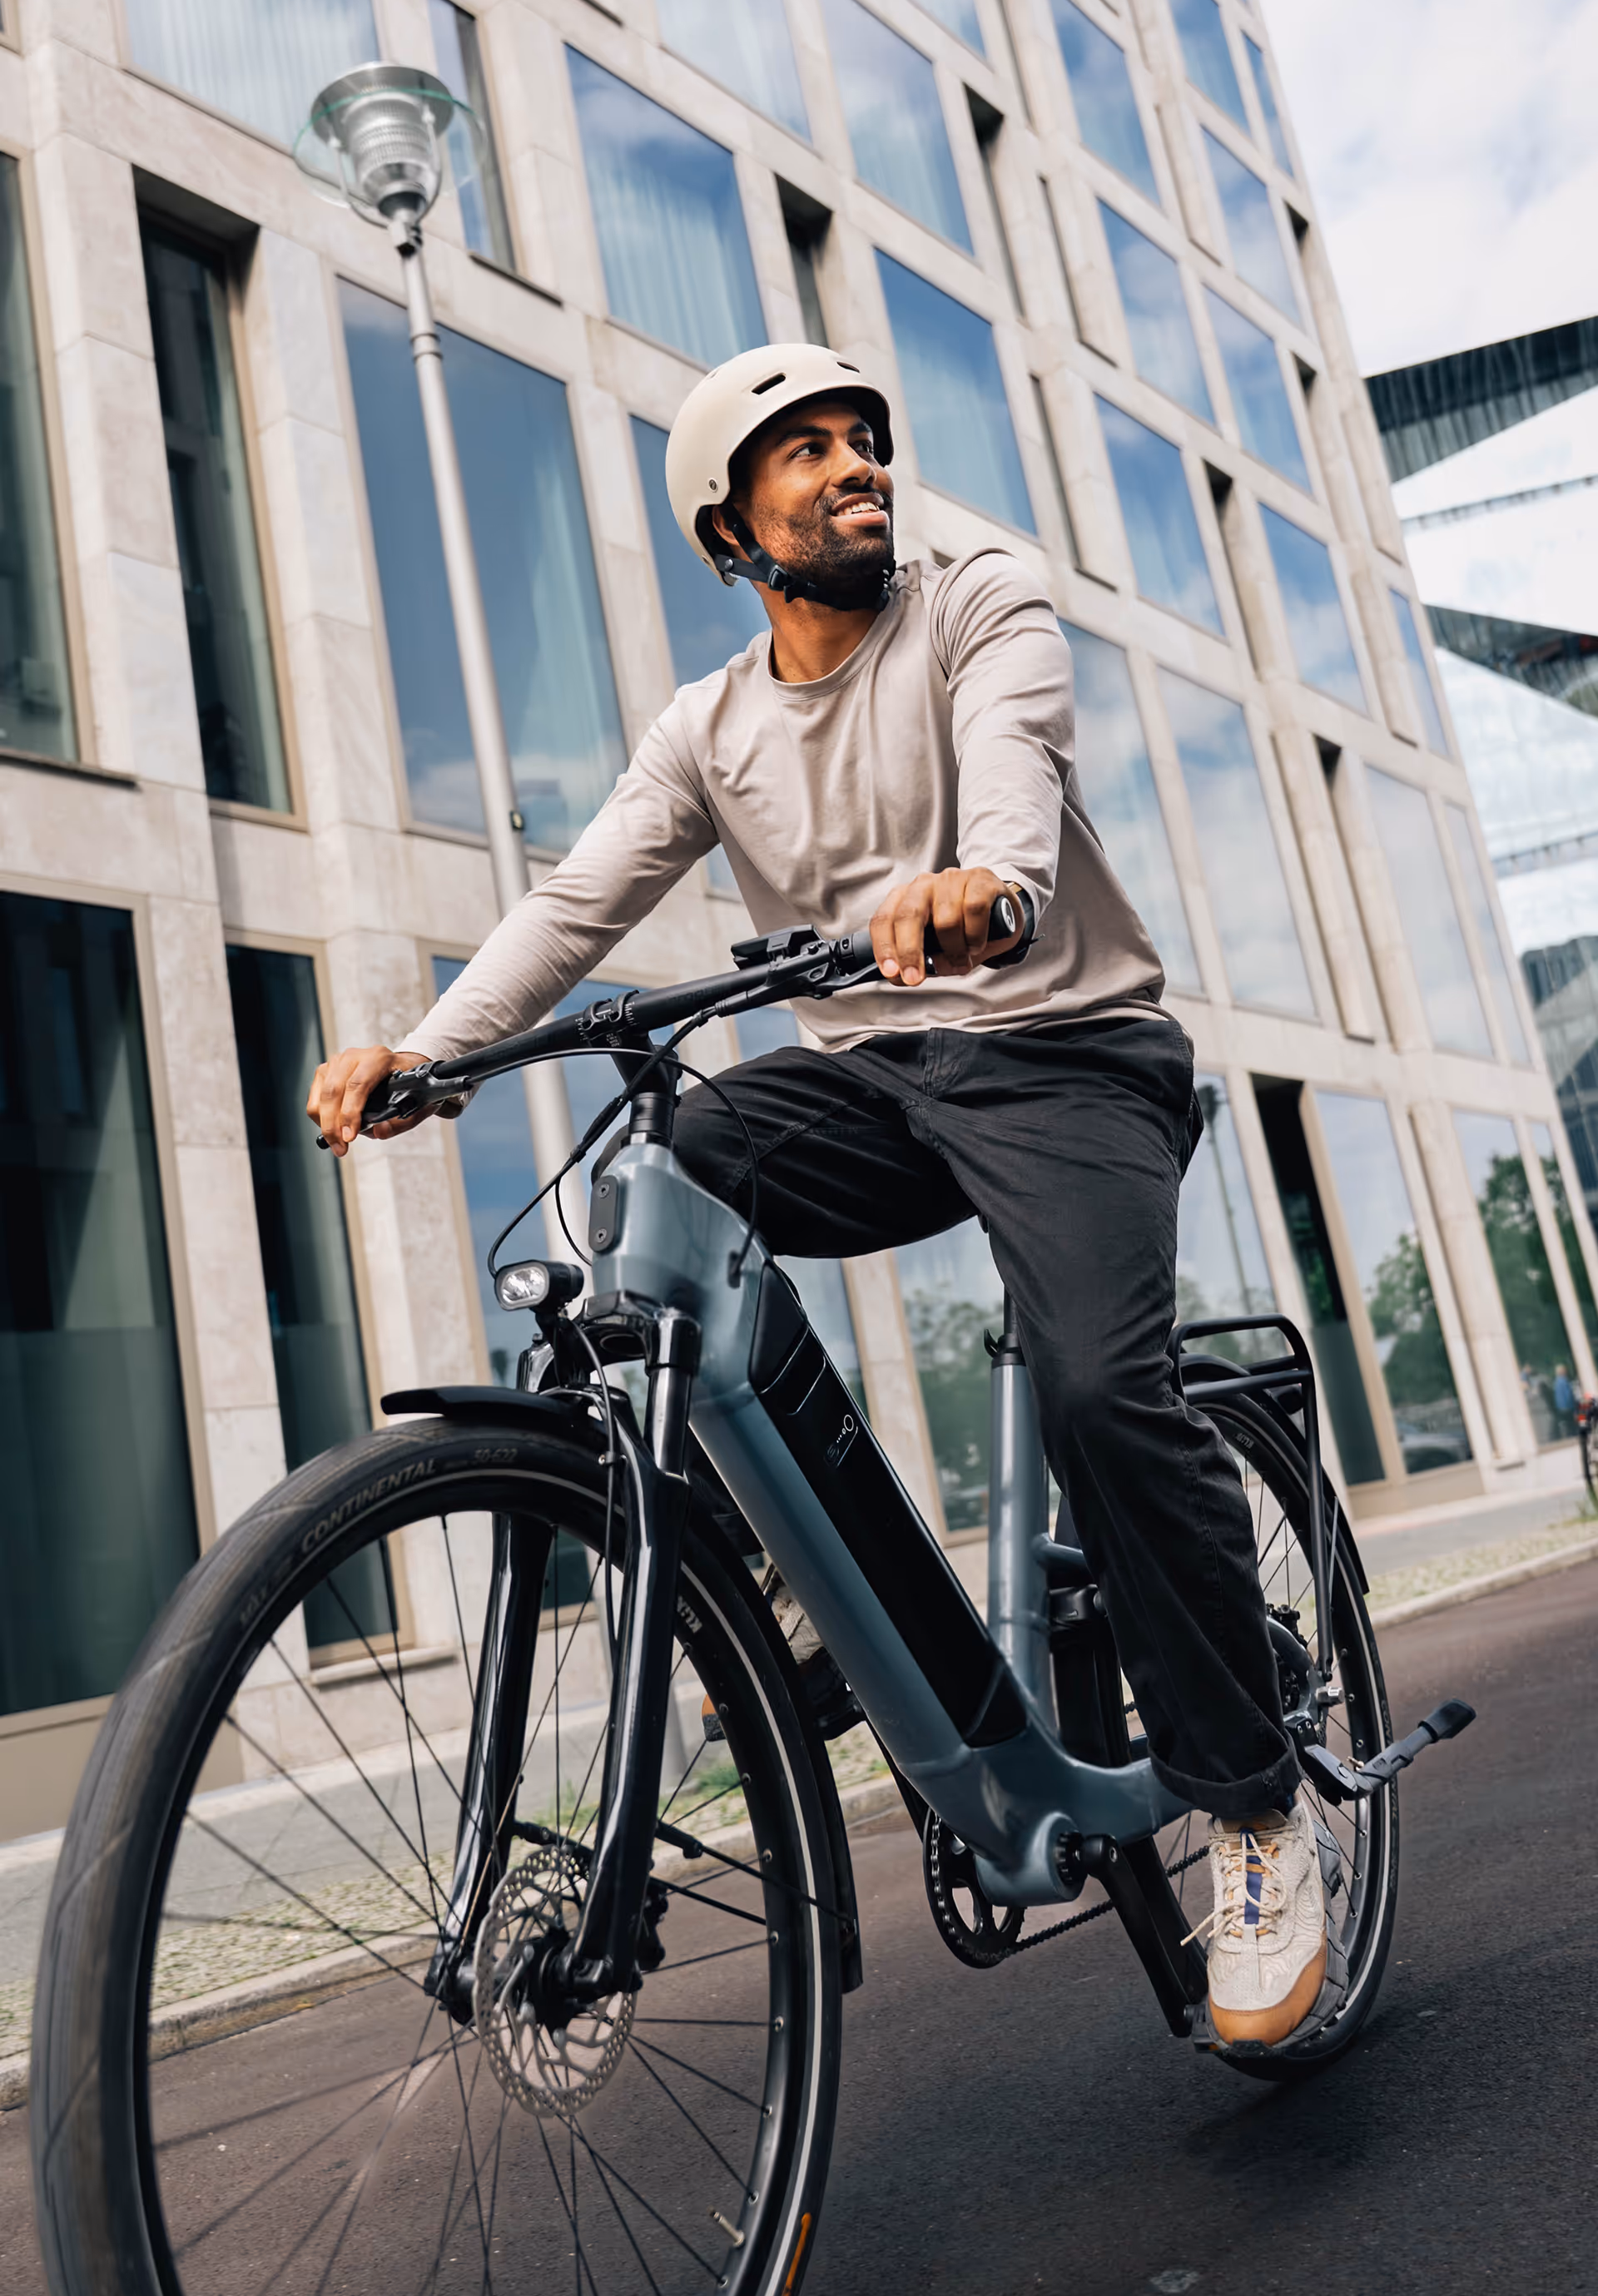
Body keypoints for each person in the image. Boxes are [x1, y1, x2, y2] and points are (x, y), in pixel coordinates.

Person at [308, 344, 1328, 2046]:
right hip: (876, 1085)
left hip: (1069, 1054)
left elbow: (1015, 755)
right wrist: (430, 1056)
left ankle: (1254, 1804)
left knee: (1099, 1389)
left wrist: (990, 884)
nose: (856, 464)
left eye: (866, 438)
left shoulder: (979, 597)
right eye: (806, 451)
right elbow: (573, 908)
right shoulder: (708, 729)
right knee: (671, 1179)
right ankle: (791, 1594)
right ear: (731, 532)